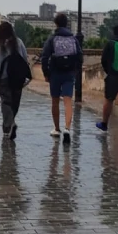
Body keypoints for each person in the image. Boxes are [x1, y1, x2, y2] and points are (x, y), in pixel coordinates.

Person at [40, 13, 82, 144]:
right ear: (66, 23)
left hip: (55, 73)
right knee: (68, 101)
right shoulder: (73, 39)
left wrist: (46, 73)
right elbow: (80, 56)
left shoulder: (52, 39)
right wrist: (75, 70)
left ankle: (57, 129)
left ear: (56, 24)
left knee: (55, 101)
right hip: (69, 73)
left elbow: (44, 57)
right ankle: (68, 128)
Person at [0, 21, 31, 140]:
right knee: (14, 103)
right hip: (18, 78)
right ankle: (8, 126)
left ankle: (9, 125)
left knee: (6, 102)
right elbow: (24, 59)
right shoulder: (19, 42)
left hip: (3, 78)